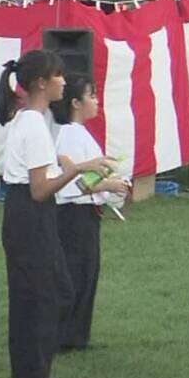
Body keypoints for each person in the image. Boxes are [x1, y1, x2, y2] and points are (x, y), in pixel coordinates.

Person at [0, 50, 115, 378]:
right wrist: (79, 169)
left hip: (28, 213)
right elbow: (39, 189)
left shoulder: (32, 119)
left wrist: (67, 166)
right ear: (40, 84)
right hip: (30, 214)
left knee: (48, 293)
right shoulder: (31, 123)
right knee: (43, 297)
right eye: (58, 76)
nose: (64, 81)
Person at [50, 75, 131, 353]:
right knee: (76, 273)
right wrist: (108, 183)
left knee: (86, 273)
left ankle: (76, 335)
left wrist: (108, 178)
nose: (96, 102)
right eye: (91, 96)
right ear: (75, 102)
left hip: (84, 212)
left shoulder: (78, 132)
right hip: (74, 214)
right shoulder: (70, 134)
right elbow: (77, 182)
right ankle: (65, 335)